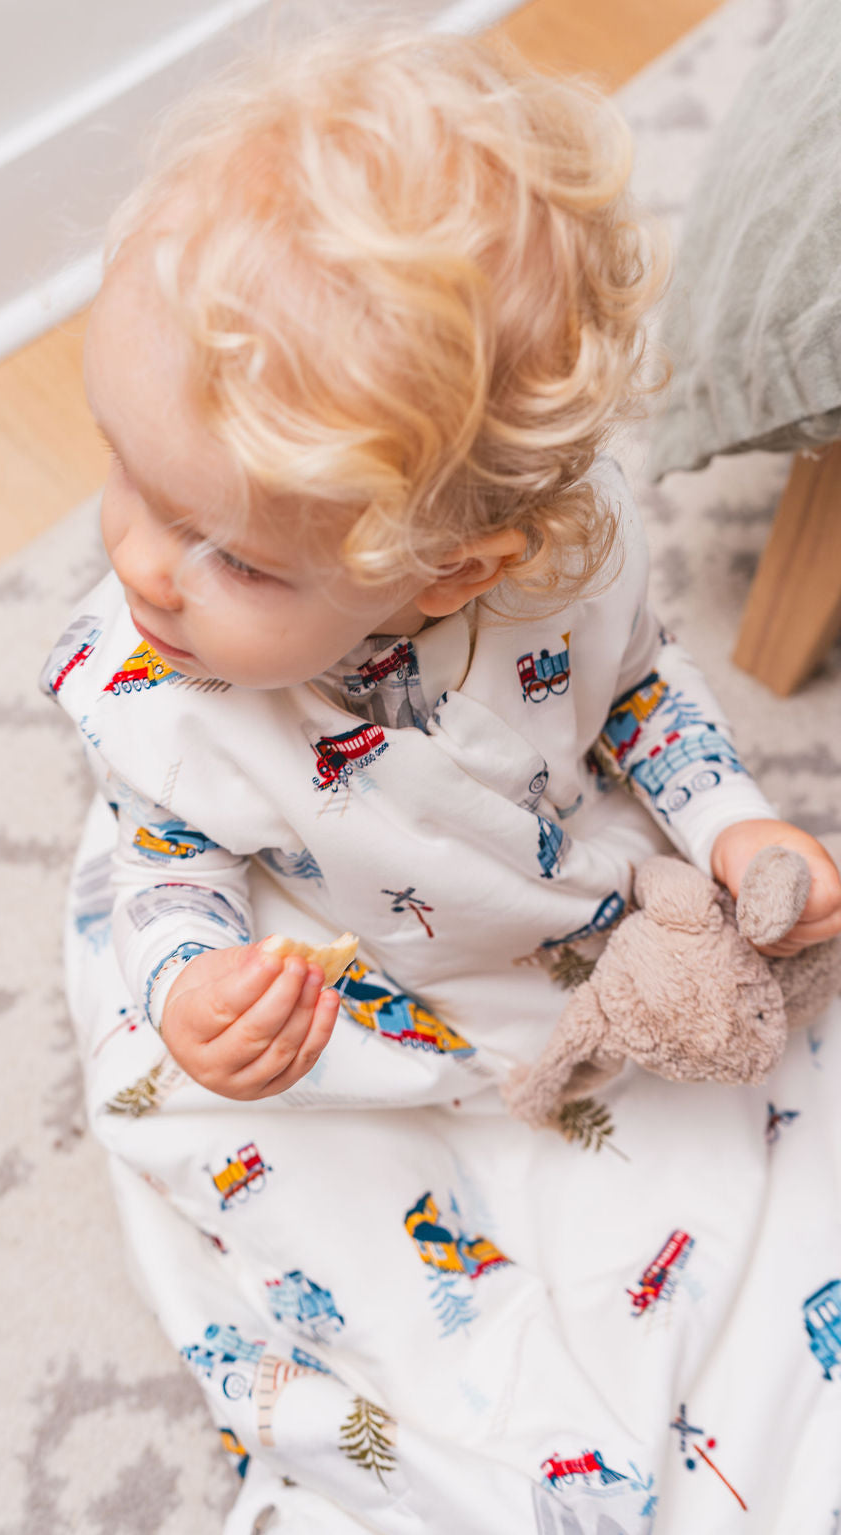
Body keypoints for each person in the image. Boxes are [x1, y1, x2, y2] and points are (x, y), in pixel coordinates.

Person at [42, 26, 841, 1534]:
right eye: (125, 472)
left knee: (763, 1149)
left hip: (552, 930)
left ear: (450, 573)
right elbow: (160, 857)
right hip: (315, 982)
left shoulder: (552, 582)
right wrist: (195, 989)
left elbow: (645, 708)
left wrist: (735, 831)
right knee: (353, 1261)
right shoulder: (166, 695)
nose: (140, 563)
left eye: (232, 554)